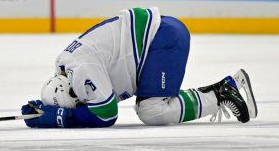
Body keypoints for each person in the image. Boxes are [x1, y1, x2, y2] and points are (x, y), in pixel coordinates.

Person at [21, 7, 257, 128]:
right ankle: (224, 89)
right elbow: (75, 99)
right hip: (161, 34)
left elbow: (106, 115)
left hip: (162, 39)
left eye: (79, 101)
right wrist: (47, 108)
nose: (83, 103)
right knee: (151, 106)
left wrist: (60, 118)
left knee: (152, 111)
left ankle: (221, 94)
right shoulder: (65, 67)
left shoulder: (82, 70)